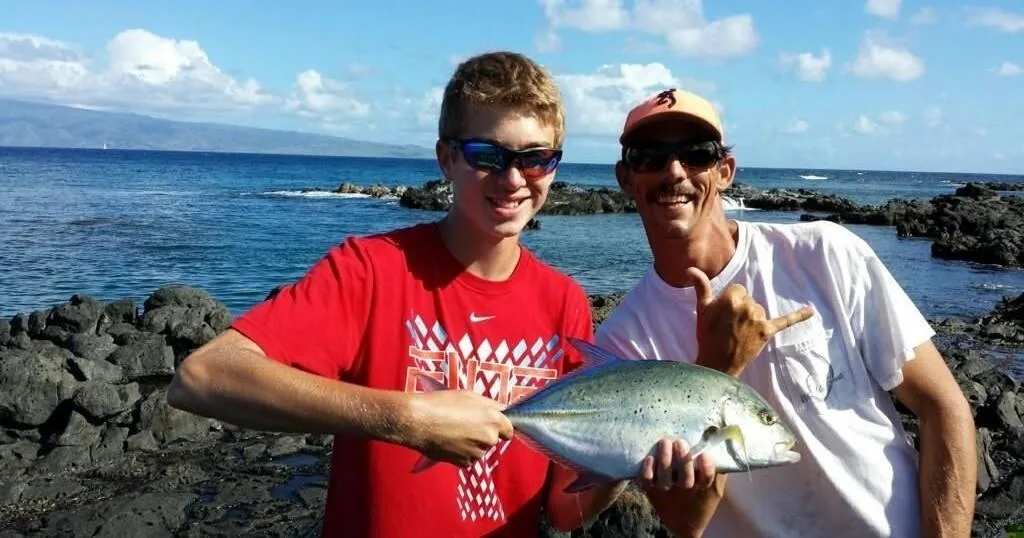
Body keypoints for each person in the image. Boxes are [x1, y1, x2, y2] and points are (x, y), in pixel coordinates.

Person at [167, 52, 763, 537]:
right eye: (487, 156)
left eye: (535, 159)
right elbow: (203, 377)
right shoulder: (371, 271)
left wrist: (628, 459)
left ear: (554, 167)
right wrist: (402, 418)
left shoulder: (565, 303)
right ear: (447, 159)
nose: (512, 180)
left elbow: (561, 511)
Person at [594, 87, 978, 538]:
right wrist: (718, 368)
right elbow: (685, 522)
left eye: (695, 154)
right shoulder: (624, 341)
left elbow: (942, 406)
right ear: (625, 178)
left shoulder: (826, 254)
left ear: (725, 172)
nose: (674, 171)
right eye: (649, 157)